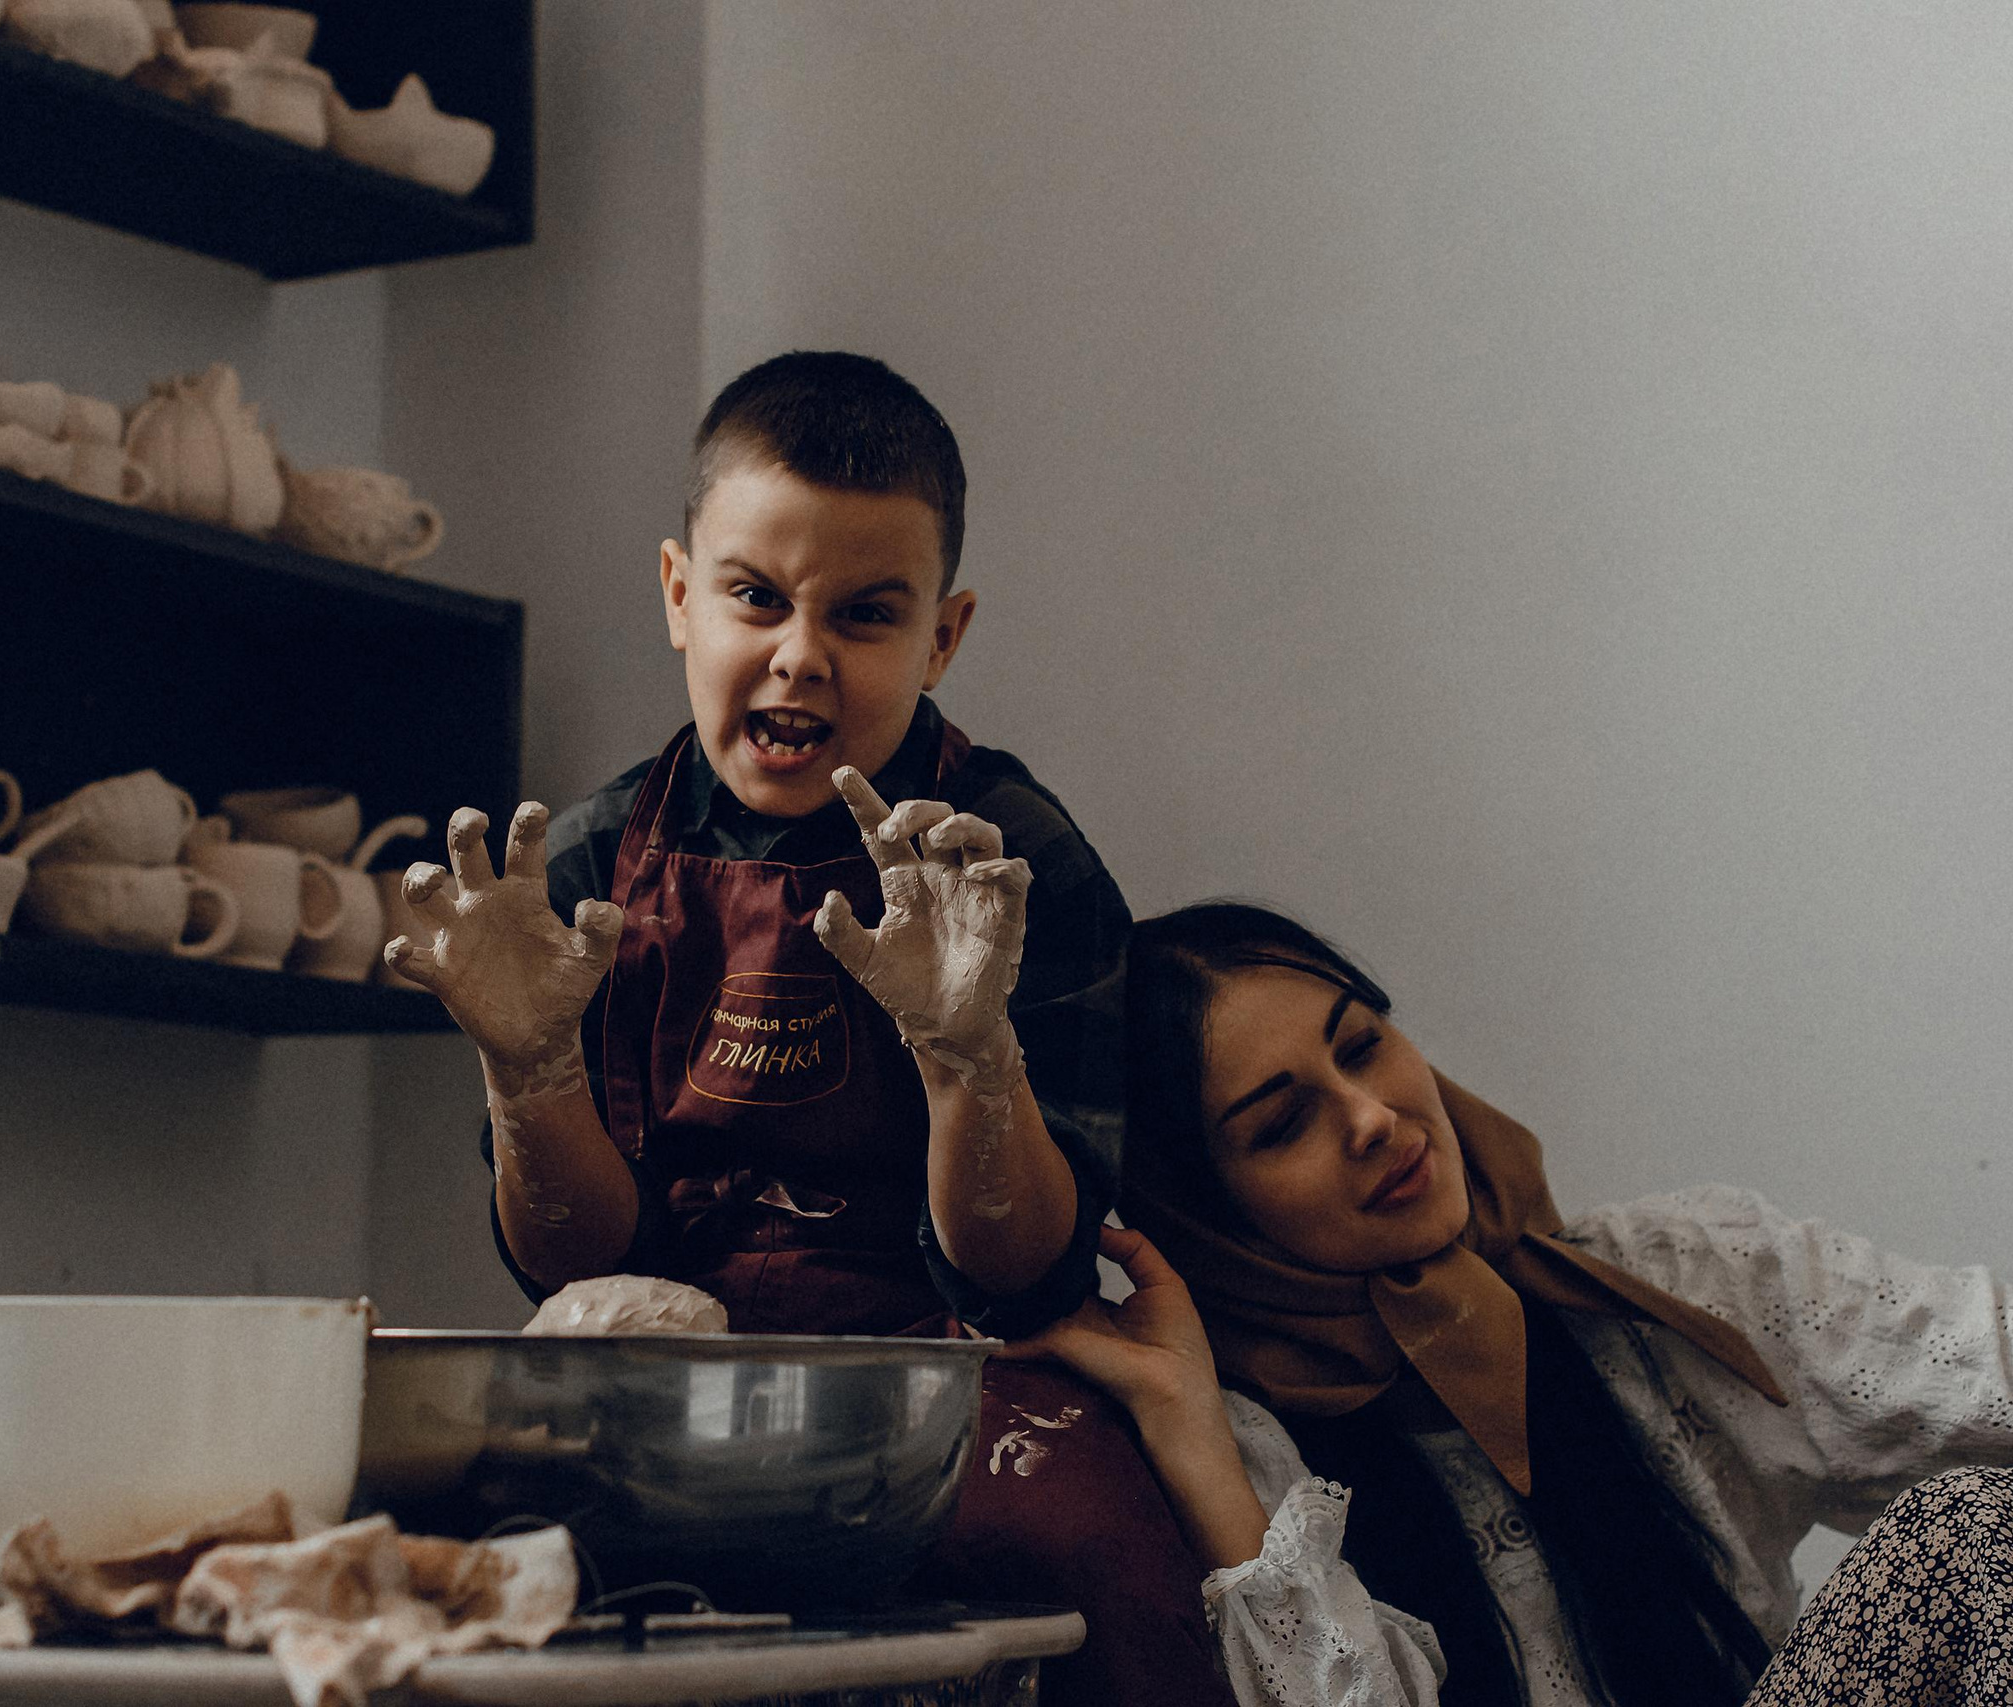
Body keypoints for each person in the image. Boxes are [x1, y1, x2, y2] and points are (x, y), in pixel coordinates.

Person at [382, 352, 1228, 1706]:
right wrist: (527, 1071)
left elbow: (1023, 1271)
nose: (799, 654)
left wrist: (970, 1059)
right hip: (670, 1384)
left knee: (1091, 1556)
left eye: (865, 613)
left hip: (960, 1380)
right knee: (440, 1585)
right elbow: (574, 1264)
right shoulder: (595, 858)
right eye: (754, 597)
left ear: (943, 635)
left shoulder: (1015, 860)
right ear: (678, 593)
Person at [1021, 899, 2013, 1706]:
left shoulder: (1657, 1280)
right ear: (1204, 1217)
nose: (1372, 1118)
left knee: (1972, 1534)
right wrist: (1190, 1438)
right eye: (1283, 1123)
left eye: (1362, 1046)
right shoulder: (1244, 1461)